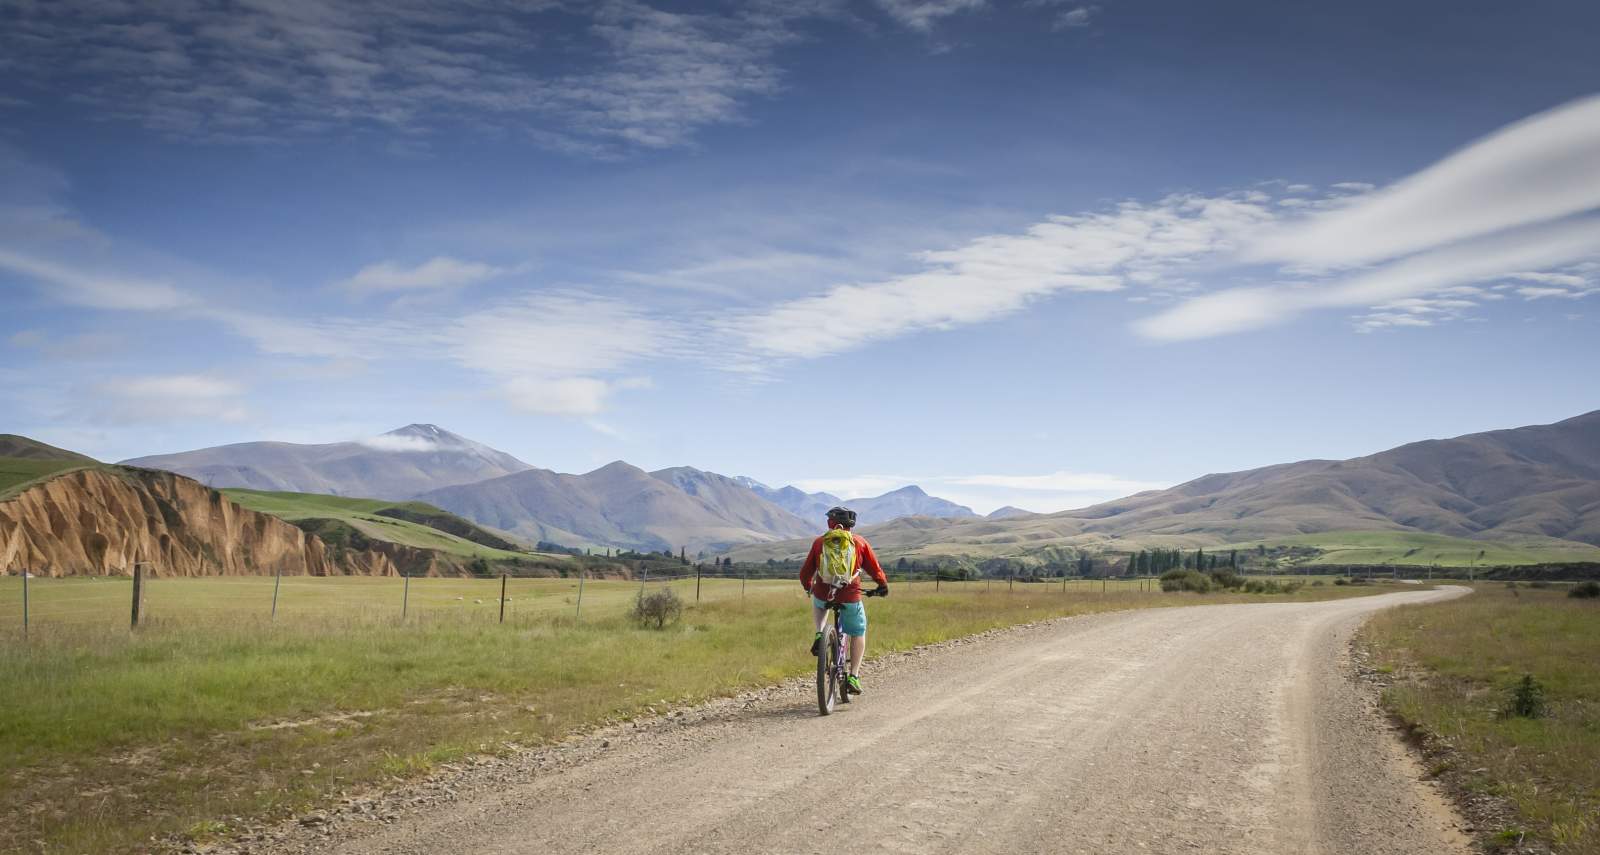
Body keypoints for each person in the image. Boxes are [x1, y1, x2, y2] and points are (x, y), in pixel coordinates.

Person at [799, 506, 888, 694]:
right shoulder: (859, 542)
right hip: (850, 595)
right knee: (858, 632)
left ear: (830, 523)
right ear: (852, 525)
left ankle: (819, 633)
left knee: (818, 601)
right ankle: (853, 677)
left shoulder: (819, 542)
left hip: (824, 593)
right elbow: (874, 568)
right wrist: (882, 585)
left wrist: (809, 587)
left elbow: (806, 572)